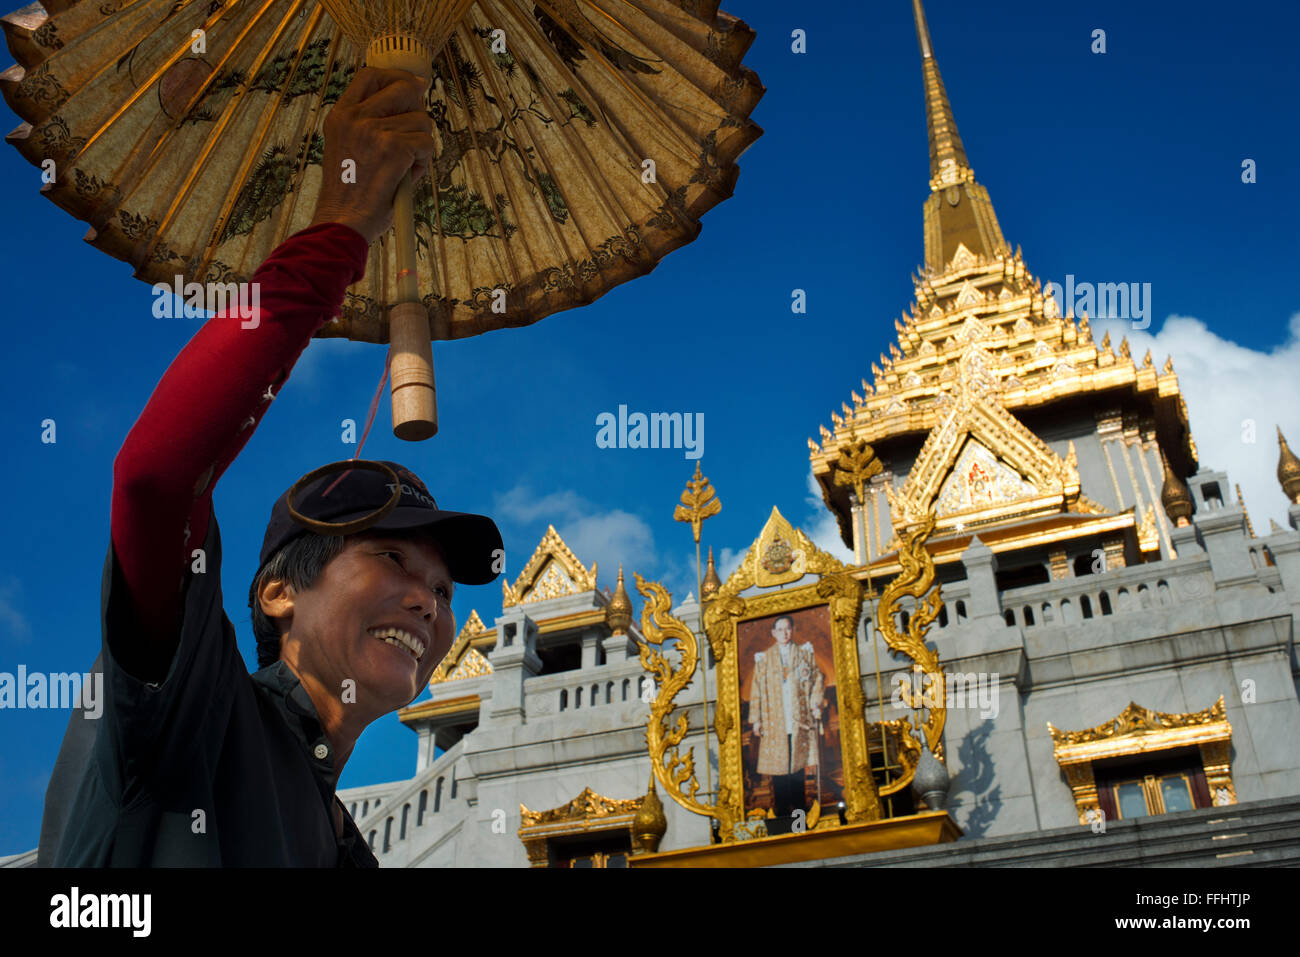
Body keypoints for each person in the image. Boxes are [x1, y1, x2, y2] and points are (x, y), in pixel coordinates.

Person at [37, 67, 503, 866]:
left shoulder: (344, 844)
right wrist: (341, 227)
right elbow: (155, 477)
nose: (427, 601)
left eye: (442, 588)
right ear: (279, 592)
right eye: (392, 557)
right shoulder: (191, 704)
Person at [748, 615, 825, 817]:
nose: (784, 633)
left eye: (787, 629)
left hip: (798, 720)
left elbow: (817, 678)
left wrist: (815, 703)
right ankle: (782, 816)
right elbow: (756, 689)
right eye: (780, 629)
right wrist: (756, 720)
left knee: (797, 771)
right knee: (779, 773)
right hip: (775, 722)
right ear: (773, 633)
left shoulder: (804, 654)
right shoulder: (763, 659)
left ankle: (799, 819)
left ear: (793, 630)